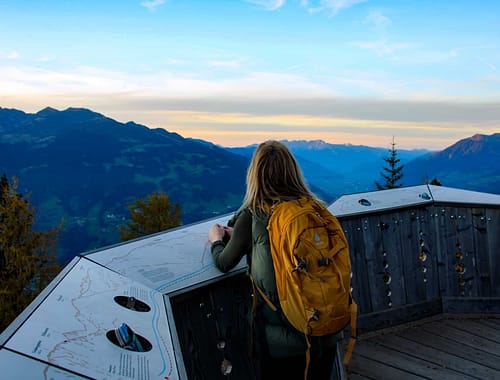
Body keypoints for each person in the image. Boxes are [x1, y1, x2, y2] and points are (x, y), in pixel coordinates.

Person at [208, 140, 342, 380]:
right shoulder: (316, 210)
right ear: (293, 171)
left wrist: (217, 239)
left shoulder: (253, 215)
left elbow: (224, 263)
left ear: (255, 175)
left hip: (282, 342)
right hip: (324, 328)